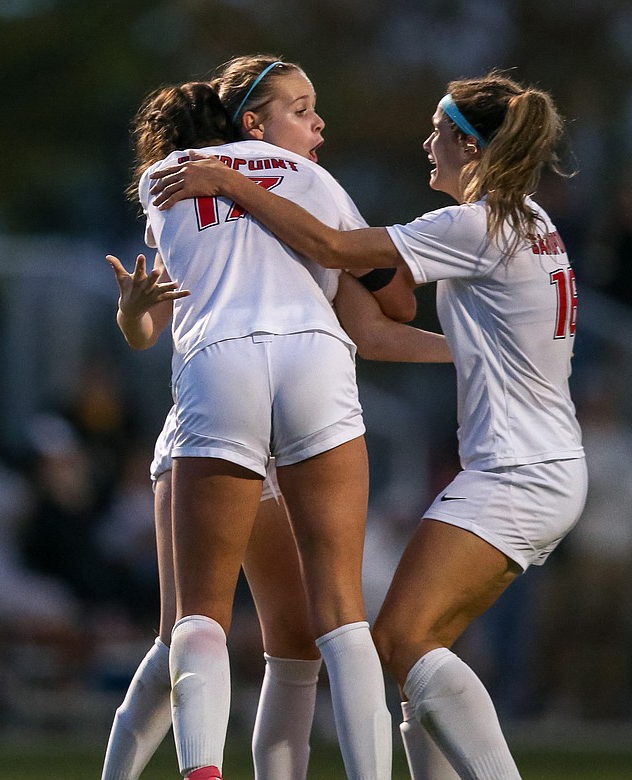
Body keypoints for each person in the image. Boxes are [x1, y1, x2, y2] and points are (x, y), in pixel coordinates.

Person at [150, 71, 586, 779]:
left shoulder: (474, 223)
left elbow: (337, 250)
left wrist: (231, 185)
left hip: (515, 472)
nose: (428, 144)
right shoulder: (530, 222)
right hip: (543, 466)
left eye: (440, 132)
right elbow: (382, 334)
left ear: (471, 148)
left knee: (398, 638)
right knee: (415, 648)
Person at [107, 62, 444, 780]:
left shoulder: (167, 176)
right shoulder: (315, 182)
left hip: (218, 367)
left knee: (195, 621)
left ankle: (195, 771)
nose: (319, 124)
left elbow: (152, 324)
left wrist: (133, 310)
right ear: (253, 123)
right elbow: (393, 312)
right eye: (303, 108)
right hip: (311, 362)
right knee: (339, 619)